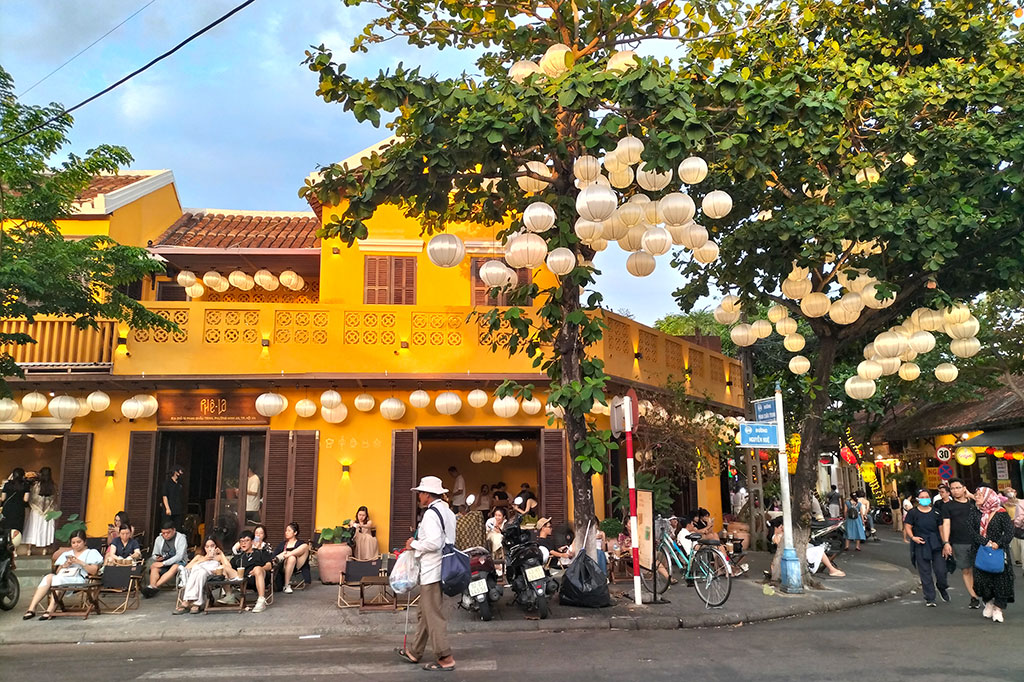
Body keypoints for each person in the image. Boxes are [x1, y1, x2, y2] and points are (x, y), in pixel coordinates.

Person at [397, 475, 457, 672]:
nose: (419, 496)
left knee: (432, 614)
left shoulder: (431, 514)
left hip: (432, 568)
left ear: (428, 495)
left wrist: (412, 544)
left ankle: (445, 656)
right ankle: (415, 651)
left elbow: (433, 543)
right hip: (442, 567)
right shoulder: (446, 511)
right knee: (425, 612)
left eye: (421, 492)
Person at [22, 529, 102, 620]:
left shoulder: (91, 553)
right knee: (48, 577)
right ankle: (32, 608)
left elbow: (94, 571)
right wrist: (65, 565)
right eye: (73, 542)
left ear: (84, 542)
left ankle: (51, 609)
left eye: (79, 542)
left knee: (58, 580)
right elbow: (57, 572)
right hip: (64, 576)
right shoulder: (67, 554)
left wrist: (80, 562)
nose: (76, 544)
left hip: (80, 578)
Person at [971, 486, 1015, 623]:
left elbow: (1009, 532)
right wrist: (985, 542)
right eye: (976, 494)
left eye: (979, 495)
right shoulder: (975, 513)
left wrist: (998, 543)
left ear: (988, 497)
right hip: (980, 550)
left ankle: (998, 608)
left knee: (1001, 580)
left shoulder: (1001, 513)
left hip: (998, 551)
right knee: (981, 580)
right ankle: (988, 602)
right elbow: (970, 531)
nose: (976, 497)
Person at [940, 477, 980, 608]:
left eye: (958, 488)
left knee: (981, 569)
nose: (955, 491)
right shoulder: (947, 506)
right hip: (959, 542)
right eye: (952, 488)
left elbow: (990, 504)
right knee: (966, 570)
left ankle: (984, 594)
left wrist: (971, 496)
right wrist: (946, 542)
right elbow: (946, 524)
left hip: (979, 541)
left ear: (964, 488)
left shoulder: (974, 504)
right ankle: (974, 597)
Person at [905, 488, 948, 607]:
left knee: (941, 570)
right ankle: (930, 598)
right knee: (925, 572)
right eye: (922, 497)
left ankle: (942, 587)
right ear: (918, 499)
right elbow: (907, 526)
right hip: (921, 543)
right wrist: (913, 537)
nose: (924, 499)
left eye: (926, 497)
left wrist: (945, 543)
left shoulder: (936, 512)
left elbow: (941, 529)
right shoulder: (913, 513)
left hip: (936, 543)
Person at [770, 517, 845, 577]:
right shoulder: (777, 536)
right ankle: (832, 569)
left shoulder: (784, 534)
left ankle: (831, 568)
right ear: (780, 526)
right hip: (794, 554)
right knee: (819, 550)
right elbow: (780, 545)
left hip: (796, 552)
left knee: (817, 548)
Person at [175, 536, 231, 614]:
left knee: (200, 571)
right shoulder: (199, 557)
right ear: (204, 548)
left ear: (216, 547)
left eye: (212, 546)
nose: (209, 549)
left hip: (209, 576)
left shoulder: (218, 557)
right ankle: (197, 602)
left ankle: (187, 601)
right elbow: (187, 568)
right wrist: (203, 559)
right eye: (207, 546)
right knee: (197, 569)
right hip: (197, 576)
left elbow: (229, 568)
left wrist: (221, 554)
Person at [142, 520, 188, 598]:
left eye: (168, 532)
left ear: (174, 530)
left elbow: (179, 556)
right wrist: (157, 557)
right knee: (154, 566)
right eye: (163, 533)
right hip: (164, 561)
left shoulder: (181, 538)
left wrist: (163, 563)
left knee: (174, 567)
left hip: (179, 562)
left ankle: (153, 587)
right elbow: (154, 554)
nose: (166, 535)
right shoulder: (159, 539)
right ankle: (152, 586)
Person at [230, 529, 272, 613]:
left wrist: (259, 569)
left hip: (259, 577)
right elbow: (230, 568)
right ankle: (229, 596)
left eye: (246, 541)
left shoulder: (260, 552)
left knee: (257, 568)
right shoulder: (238, 556)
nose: (243, 543)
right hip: (243, 580)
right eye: (241, 541)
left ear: (252, 541)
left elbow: (269, 565)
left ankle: (261, 600)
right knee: (225, 567)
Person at [23, 466, 57, 554]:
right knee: (45, 529)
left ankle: (29, 549)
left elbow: (31, 498)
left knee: (33, 528)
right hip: (49, 511)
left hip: (36, 510)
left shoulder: (35, 486)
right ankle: (45, 549)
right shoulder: (53, 486)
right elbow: (55, 498)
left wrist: (34, 507)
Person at [274, 522, 309, 593]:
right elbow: (274, 556)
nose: (286, 532)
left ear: (295, 533)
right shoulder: (282, 544)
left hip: (297, 565)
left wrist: (289, 554)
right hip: (284, 566)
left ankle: (289, 554)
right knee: (292, 558)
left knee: (305, 546)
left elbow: (304, 549)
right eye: (286, 530)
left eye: (289, 531)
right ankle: (286, 585)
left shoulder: (300, 543)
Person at [1, 467, 29, 537]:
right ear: (23, 476)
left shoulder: (7, 485)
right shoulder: (25, 485)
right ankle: (15, 546)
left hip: (8, 508)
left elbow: (3, 498)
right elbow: (26, 499)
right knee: (17, 527)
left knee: (6, 526)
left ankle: (7, 542)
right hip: (19, 508)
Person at [1000, 487, 1023, 567]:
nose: (1010, 493)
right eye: (1007, 492)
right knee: (1014, 543)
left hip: (1021, 525)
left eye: (1011, 491)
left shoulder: (1021, 502)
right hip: (1010, 525)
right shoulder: (1004, 505)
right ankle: (1018, 559)